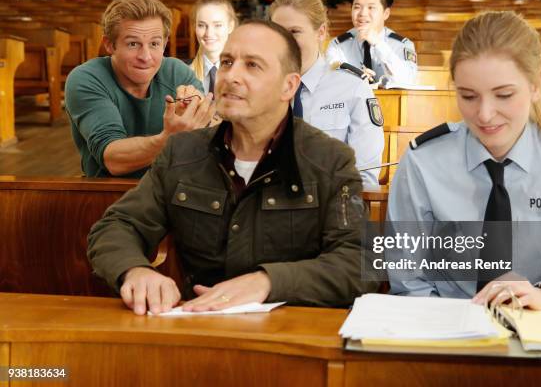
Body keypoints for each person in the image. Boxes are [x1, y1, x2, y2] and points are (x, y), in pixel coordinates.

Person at [87, 19, 378, 315]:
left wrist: (268, 282)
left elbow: (361, 261)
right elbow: (117, 227)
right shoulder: (182, 153)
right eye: (227, 62)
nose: (230, 76)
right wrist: (135, 271)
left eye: (252, 65)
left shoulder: (329, 160)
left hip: (291, 332)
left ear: (288, 86)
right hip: (199, 328)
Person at [386, 11, 541, 311]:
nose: (485, 114)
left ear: (535, 85)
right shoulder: (422, 162)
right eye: (468, 96)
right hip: (445, 327)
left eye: (503, 95)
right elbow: (407, 278)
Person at [65, 0, 209, 178]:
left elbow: (212, 135)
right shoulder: (86, 78)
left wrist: (201, 116)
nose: (146, 57)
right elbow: (113, 159)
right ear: (109, 45)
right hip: (109, 194)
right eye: (133, 44)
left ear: (165, 44)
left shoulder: (177, 72)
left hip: (173, 192)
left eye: (155, 44)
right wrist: (171, 138)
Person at [270, 0, 384, 186]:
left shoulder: (352, 88)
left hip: (329, 208)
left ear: (320, 32)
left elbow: (364, 177)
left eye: (295, 32)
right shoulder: (261, 90)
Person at [326, 0, 418, 87]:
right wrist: (355, 80)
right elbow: (329, 82)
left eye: (371, 8)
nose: (363, 13)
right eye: (357, 7)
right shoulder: (338, 46)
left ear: (386, 13)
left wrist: (379, 45)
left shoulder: (402, 45)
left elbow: (408, 82)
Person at [188, 0, 237, 96]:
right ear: (194, 27)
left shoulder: (244, 74)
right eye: (201, 25)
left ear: (230, 26)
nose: (209, 33)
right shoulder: (186, 75)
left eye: (217, 25)